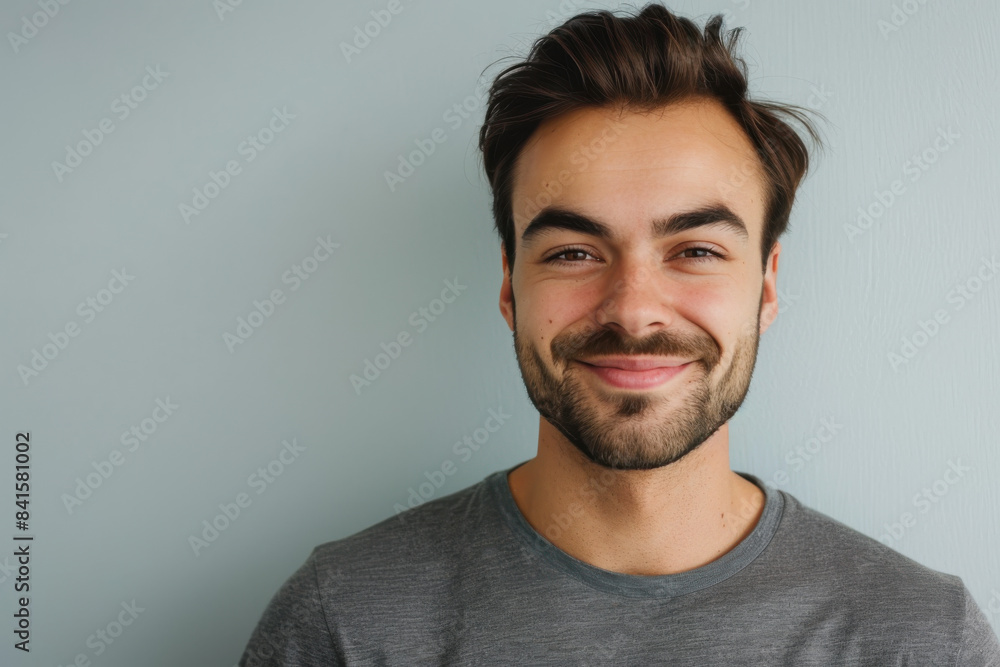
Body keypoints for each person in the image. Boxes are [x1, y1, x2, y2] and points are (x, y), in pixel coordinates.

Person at [238, 4, 1000, 664]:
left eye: (696, 251)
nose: (634, 311)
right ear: (511, 284)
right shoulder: (344, 622)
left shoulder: (920, 639)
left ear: (765, 286)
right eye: (574, 252)